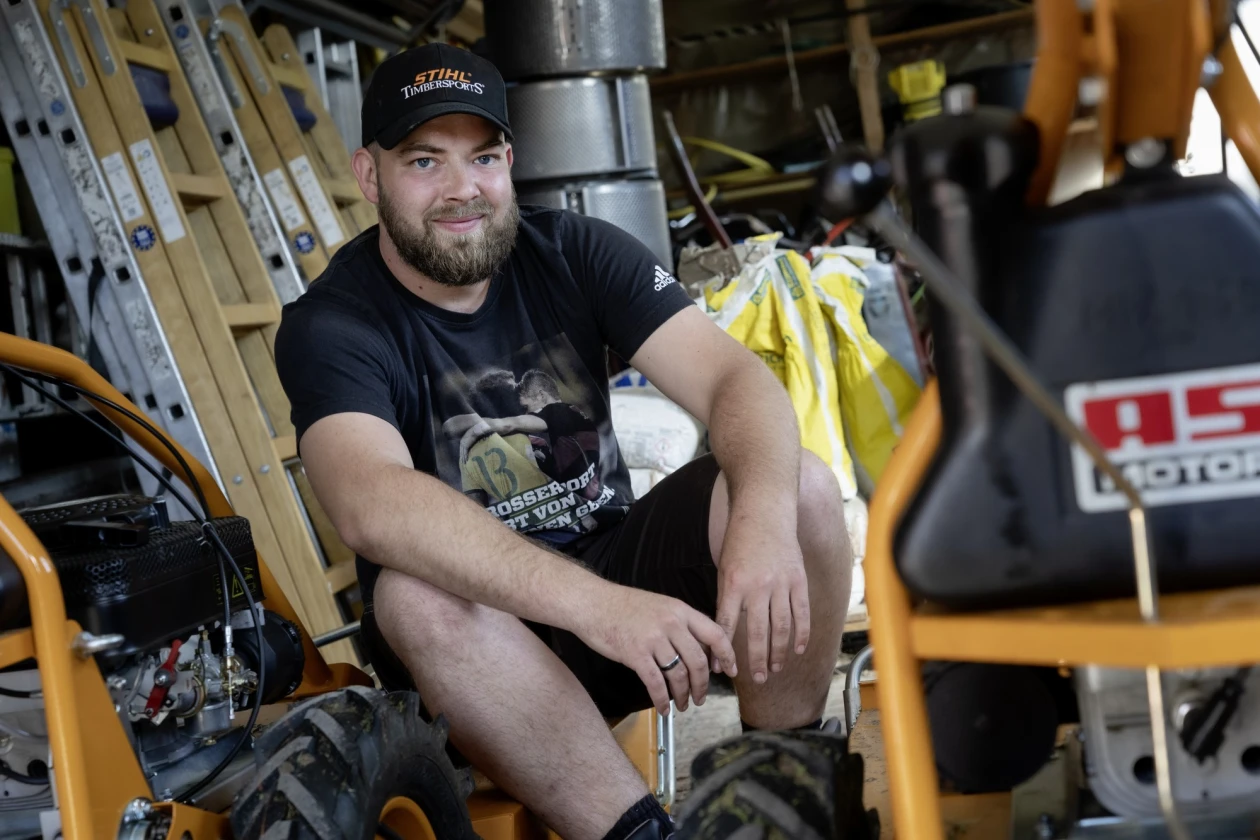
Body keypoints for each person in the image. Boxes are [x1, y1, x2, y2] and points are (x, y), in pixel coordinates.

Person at [274, 41, 853, 840]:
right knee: (412, 595)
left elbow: (736, 382)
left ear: (509, 160)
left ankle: (783, 793)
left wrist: (759, 520)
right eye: (424, 163)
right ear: (369, 175)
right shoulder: (333, 323)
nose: (462, 190)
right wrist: (598, 607)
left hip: (616, 588)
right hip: (480, 659)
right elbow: (371, 503)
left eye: (482, 157)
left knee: (804, 492)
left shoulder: (575, 250)